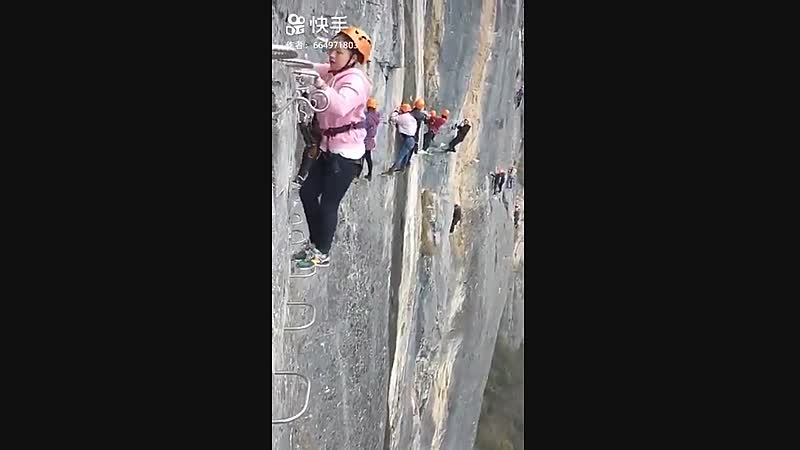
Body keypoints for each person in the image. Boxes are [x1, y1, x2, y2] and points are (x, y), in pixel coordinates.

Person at [292, 26, 374, 269]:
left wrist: (321, 85)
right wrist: (295, 65)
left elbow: (340, 106)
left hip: (346, 156)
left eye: (339, 52)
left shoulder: (356, 81)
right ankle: (316, 243)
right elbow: (310, 67)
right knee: (307, 192)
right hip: (330, 150)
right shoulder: (335, 72)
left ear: (353, 58)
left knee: (329, 204)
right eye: (331, 49)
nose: (332, 54)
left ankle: (322, 251)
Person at [382, 103, 417, 174]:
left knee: (401, 155)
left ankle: (392, 169)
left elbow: (393, 118)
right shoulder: (412, 118)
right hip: (412, 139)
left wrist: (396, 112)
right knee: (406, 155)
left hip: (408, 139)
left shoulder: (403, 117)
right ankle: (402, 168)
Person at [402, 97, 428, 167]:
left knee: (405, 148)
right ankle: (406, 163)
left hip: (407, 132)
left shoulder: (411, 112)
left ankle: (404, 163)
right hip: (415, 133)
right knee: (410, 149)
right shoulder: (421, 115)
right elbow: (426, 120)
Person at [361, 97, 381, 181]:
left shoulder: (367, 117)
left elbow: (363, 126)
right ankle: (369, 174)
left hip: (365, 139)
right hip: (370, 140)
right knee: (368, 157)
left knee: (361, 157)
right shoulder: (376, 116)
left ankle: (357, 174)